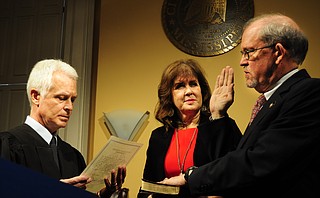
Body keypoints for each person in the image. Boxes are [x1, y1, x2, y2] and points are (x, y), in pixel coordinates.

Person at [160, 13, 320, 198]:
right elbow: (238, 158)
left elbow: (259, 162)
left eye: (249, 52)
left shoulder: (310, 93)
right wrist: (218, 114)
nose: (242, 61)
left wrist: (191, 175)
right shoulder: (271, 100)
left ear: (278, 53)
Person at [0, 59, 126, 198]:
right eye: (61, 98)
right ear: (36, 96)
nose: (69, 107)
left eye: (72, 100)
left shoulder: (72, 156)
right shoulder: (8, 145)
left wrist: (103, 194)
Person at [138, 59, 242, 197]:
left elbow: (232, 172)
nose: (189, 91)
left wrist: (219, 115)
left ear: (201, 90)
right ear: (169, 95)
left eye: (193, 84)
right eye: (180, 86)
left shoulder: (221, 124)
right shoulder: (158, 136)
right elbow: (148, 186)